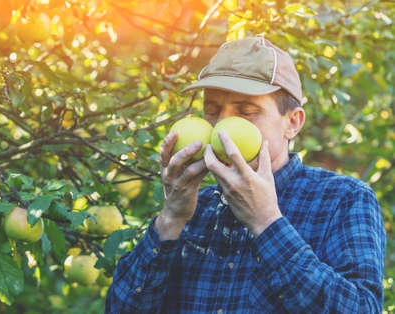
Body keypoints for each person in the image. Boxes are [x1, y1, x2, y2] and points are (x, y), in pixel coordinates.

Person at [105, 36, 386, 313]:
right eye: (212, 110)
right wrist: (171, 218)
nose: (222, 124)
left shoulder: (343, 199)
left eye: (247, 111)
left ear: (293, 123)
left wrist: (267, 223)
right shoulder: (193, 207)